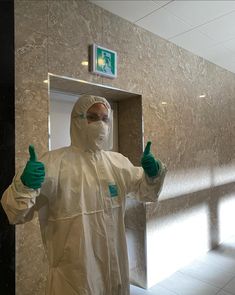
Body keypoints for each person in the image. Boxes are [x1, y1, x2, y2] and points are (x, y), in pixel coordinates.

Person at [1, 94, 166, 295]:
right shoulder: (53, 163)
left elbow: (146, 191)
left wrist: (153, 174)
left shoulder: (117, 162)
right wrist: (24, 186)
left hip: (115, 272)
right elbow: (15, 213)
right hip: (73, 277)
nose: (100, 124)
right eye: (93, 117)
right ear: (77, 120)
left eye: (105, 119)